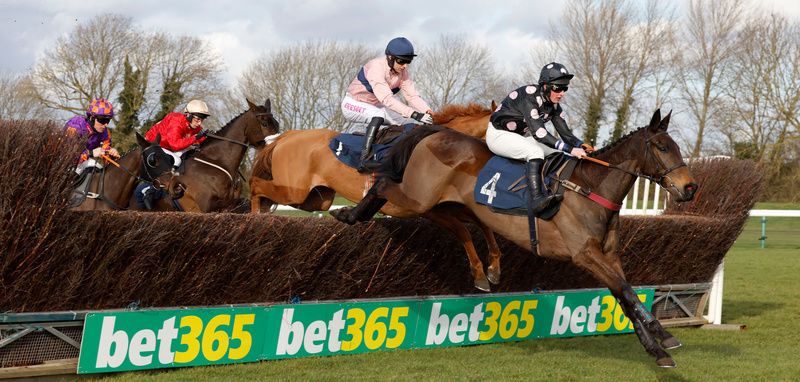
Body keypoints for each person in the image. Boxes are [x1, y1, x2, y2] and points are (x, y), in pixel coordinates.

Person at [487, 62, 594, 216]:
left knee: (556, 152)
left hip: (519, 137)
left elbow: (566, 134)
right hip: (498, 135)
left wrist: (581, 145)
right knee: (535, 152)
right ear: (545, 86)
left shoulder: (554, 105)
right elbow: (540, 134)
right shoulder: (528, 97)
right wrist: (571, 149)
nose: (562, 93)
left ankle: (552, 187)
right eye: (558, 88)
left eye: (565, 88)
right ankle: (536, 200)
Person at [340, 37, 435, 172]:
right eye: (401, 61)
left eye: (408, 61)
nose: (405, 66)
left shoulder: (403, 73)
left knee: (407, 121)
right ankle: (364, 159)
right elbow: (387, 99)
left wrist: (427, 111)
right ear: (390, 58)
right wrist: (414, 113)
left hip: (375, 105)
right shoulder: (376, 67)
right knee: (379, 115)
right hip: (353, 103)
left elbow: (412, 96)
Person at [137, 99, 210, 210]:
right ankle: (149, 189)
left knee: (192, 154)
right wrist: (196, 138)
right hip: (153, 145)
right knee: (177, 160)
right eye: (197, 119)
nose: (200, 123)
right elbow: (175, 145)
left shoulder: (193, 125)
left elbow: (201, 139)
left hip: (168, 146)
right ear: (188, 115)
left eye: (202, 119)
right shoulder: (176, 121)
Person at [63, 98, 120, 174]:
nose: (105, 124)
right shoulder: (75, 126)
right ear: (92, 118)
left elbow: (106, 150)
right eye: (102, 120)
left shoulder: (105, 132)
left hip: (82, 163)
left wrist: (112, 154)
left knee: (98, 170)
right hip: (62, 162)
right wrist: (91, 153)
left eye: (108, 120)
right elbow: (68, 155)